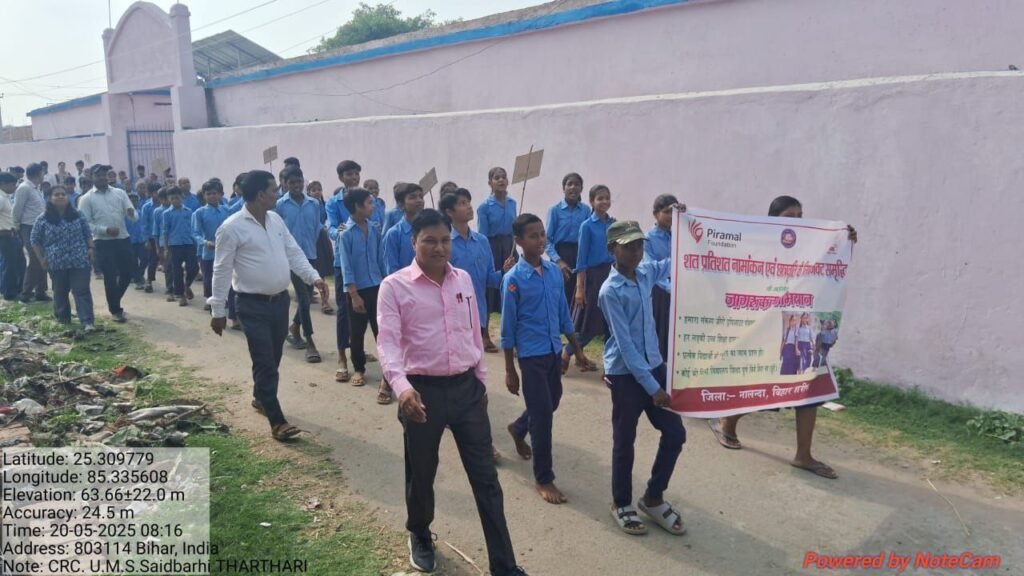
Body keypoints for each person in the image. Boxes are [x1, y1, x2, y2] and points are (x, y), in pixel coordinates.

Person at [377, 209, 528, 576]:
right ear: (414, 243)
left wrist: (480, 378)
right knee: (422, 473)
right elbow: (388, 344)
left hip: (466, 392)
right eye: (430, 240)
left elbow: (473, 331)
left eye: (444, 240)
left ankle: (504, 566)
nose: (439, 247)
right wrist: (401, 389)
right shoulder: (395, 287)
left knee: (487, 481)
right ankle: (420, 533)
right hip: (421, 394)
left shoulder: (462, 280)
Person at [715, 195, 858, 479]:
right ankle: (727, 423)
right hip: (770, 328)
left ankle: (803, 455)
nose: (797, 222)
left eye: (800, 216)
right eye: (790, 216)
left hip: (804, 327)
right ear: (774, 220)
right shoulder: (759, 245)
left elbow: (832, 269)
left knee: (809, 390)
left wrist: (846, 241)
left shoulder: (812, 246)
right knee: (763, 390)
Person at [210, 169, 328, 440]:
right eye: (275, 189)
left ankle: (260, 396)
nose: (279, 193)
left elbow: (293, 251)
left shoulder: (275, 220)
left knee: (272, 357)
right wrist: (218, 311)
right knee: (264, 360)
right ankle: (277, 421)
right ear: (261, 194)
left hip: (279, 302)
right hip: (251, 305)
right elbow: (221, 270)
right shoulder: (230, 228)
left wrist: (314, 278)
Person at [599, 219, 687, 537]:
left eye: (639, 245)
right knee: (625, 441)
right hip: (626, 374)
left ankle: (653, 497)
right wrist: (653, 388)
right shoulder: (610, 291)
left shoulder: (646, 273)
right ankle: (621, 503)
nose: (636, 251)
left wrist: (688, 225)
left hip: (653, 364)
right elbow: (626, 347)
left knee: (675, 434)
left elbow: (676, 260)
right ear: (613, 250)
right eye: (628, 246)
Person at [502, 213, 586, 505]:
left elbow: (563, 313)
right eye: (533, 236)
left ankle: (518, 427)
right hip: (531, 356)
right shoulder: (513, 280)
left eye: (542, 234)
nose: (540, 240)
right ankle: (543, 477)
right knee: (543, 417)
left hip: (553, 350)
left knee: (552, 402)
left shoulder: (552, 273)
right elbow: (508, 328)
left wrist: (576, 349)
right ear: (519, 241)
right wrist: (510, 369)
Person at [441, 188, 513, 353]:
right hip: (452, 313)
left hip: (477, 312)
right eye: (462, 203)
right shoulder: (445, 243)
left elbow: (490, 280)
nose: (469, 207)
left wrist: (503, 271)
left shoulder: (482, 241)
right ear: (449, 212)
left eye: (469, 202)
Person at [339, 188, 387, 398]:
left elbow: (380, 259)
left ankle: (388, 369)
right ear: (357, 207)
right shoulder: (346, 234)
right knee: (356, 332)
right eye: (369, 203)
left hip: (377, 286)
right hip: (358, 290)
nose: (372, 206)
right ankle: (359, 368)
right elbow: (346, 266)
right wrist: (354, 294)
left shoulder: (375, 229)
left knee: (382, 331)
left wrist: (386, 283)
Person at [30, 186, 96, 332]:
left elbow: (87, 233)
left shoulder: (77, 214)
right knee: (60, 291)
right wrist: (41, 259)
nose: (60, 197)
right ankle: (63, 319)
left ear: (68, 197)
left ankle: (87, 321)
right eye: (56, 195)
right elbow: (35, 240)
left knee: (81, 290)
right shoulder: (42, 219)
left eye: (63, 194)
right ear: (49, 198)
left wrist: (91, 249)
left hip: (79, 259)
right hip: (56, 262)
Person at [276, 166, 324, 363]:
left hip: (310, 255)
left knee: (305, 295)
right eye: (292, 182)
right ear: (285, 184)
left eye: (299, 182)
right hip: (291, 258)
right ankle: (310, 341)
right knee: (304, 298)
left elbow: (316, 227)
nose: (296, 186)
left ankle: (294, 328)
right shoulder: (280, 205)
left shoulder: (314, 204)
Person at [79, 165, 137, 323]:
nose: (102, 178)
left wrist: (132, 213)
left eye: (104, 175)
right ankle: (115, 310)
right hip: (103, 242)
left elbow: (132, 214)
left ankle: (114, 299)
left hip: (123, 238)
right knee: (110, 276)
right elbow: (85, 223)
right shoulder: (86, 199)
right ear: (92, 177)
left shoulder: (119, 193)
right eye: (98, 175)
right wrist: (105, 230)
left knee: (128, 272)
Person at [571, 184, 616, 372]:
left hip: (611, 274)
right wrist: (580, 288)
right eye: (600, 198)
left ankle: (610, 367)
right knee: (590, 322)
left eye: (607, 197)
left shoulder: (614, 224)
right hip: (593, 277)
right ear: (591, 201)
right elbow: (581, 260)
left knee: (610, 323)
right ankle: (567, 353)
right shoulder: (587, 226)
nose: (604, 201)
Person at [545, 173, 591, 308]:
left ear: (581, 188)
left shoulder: (586, 210)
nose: (573, 187)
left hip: (579, 254)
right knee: (559, 291)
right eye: (569, 184)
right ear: (563, 188)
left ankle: (574, 324)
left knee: (578, 290)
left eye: (577, 184)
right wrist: (559, 261)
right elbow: (547, 240)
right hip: (560, 254)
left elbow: (588, 236)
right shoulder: (555, 210)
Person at [477, 167, 517, 315]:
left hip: (509, 247)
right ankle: (485, 330)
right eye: (496, 177)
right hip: (492, 247)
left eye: (503, 177)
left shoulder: (512, 203)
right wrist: (485, 255)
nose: (501, 180)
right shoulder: (484, 207)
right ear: (490, 183)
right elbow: (483, 235)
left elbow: (514, 228)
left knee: (512, 283)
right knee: (491, 287)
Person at [644, 194, 679, 360]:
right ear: (655, 214)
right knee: (659, 328)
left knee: (674, 330)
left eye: (674, 212)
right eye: (667, 212)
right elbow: (651, 268)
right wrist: (669, 287)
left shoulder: (679, 235)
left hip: (677, 288)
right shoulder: (648, 239)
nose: (671, 216)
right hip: (658, 290)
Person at [13, 163, 50, 303]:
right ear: (37, 173)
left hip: (40, 228)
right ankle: (26, 293)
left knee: (43, 259)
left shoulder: (35, 188)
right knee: (35, 260)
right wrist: (16, 227)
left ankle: (41, 292)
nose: (44, 175)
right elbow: (17, 209)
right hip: (28, 227)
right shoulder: (24, 188)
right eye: (42, 173)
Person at [193, 180, 231, 311]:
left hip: (226, 251)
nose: (212, 196)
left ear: (220, 195)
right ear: (204, 196)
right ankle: (210, 300)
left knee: (227, 278)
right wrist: (205, 242)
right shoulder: (199, 213)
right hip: (208, 252)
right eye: (209, 194)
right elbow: (195, 233)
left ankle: (225, 301)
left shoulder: (226, 210)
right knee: (209, 278)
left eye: (215, 193)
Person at [161, 187, 197, 306]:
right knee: (176, 271)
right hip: (174, 245)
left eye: (177, 197)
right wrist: (166, 248)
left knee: (193, 267)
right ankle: (181, 296)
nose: (175, 200)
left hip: (189, 243)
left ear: (182, 197)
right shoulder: (166, 213)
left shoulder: (189, 211)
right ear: (169, 199)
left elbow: (193, 228)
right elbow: (165, 231)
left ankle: (187, 285)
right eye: (172, 198)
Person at [306, 180, 336, 316]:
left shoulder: (324, 205)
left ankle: (325, 302)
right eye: (314, 190)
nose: (317, 192)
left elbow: (328, 220)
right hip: (309, 240)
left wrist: (325, 227)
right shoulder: (306, 207)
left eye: (319, 189)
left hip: (321, 239)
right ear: (308, 192)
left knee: (322, 272)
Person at [382, 183, 425, 275]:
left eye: (421, 197)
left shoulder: (428, 229)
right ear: (401, 204)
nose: (419, 200)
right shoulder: (394, 234)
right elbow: (392, 268)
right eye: (412, 197)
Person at [0, 172, 25, 301]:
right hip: (5, 235)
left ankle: (15, 289)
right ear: (3, 184)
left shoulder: (6, 197)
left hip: (11, 234)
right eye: (12, 184)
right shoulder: (1, 198)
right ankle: (9, 292)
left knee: (17, 263)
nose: (14, 187)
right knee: (10, 265)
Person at [152, 189, 173, 295]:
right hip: (163, 242)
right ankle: (169, 287)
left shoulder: (174, 209)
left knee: (176, 266)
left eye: (167, 198)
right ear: (160, 199)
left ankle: (178, 286)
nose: (166, 201)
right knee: (168, 266)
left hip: (176, 241)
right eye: (163, 199)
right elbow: (156, 230)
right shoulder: (157, 211)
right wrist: (157, 246)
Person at [126, 191, 148, 290]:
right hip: (130, 241)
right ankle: (138, 280)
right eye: (131, 200)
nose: (133, 202)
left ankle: (139, 274)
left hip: (141, 240)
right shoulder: (124, 214)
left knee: (145, 259)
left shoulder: (141, 212)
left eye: (135, 200)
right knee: (133, 261)